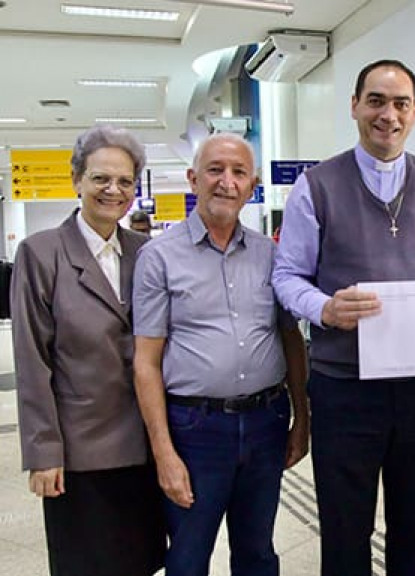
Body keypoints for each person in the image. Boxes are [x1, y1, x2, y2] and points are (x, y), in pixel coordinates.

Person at [272, 59, 415, 576]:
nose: (387, 115)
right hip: (345, 387)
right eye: (376, 101)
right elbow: (286, 276)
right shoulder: (316, 186)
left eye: (400, 103)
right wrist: (323, 307)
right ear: (354, 106)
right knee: (345, 530)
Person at [132, 132, 309, 576]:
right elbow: (146, 362)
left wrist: (302, 420)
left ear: (251, 187)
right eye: (215, 170)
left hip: (266, 421)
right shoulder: (159, 258)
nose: (226, 182)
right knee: (189, 557)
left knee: (258, 553)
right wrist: (164, 454)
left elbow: (290, 339)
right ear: (193, 179)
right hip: (195, 430)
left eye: (238, 173)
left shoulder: (272, 256)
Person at [11, 124, 165, 576]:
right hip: (81, 452)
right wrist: (44, 453)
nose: (113, 190)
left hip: (144, 443)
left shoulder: (146, 252)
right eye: (100, 178)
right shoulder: (41, 254)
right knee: (86, 562)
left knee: (141, 559)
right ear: (77, 178)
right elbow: (32, 360)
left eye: (125, 181)